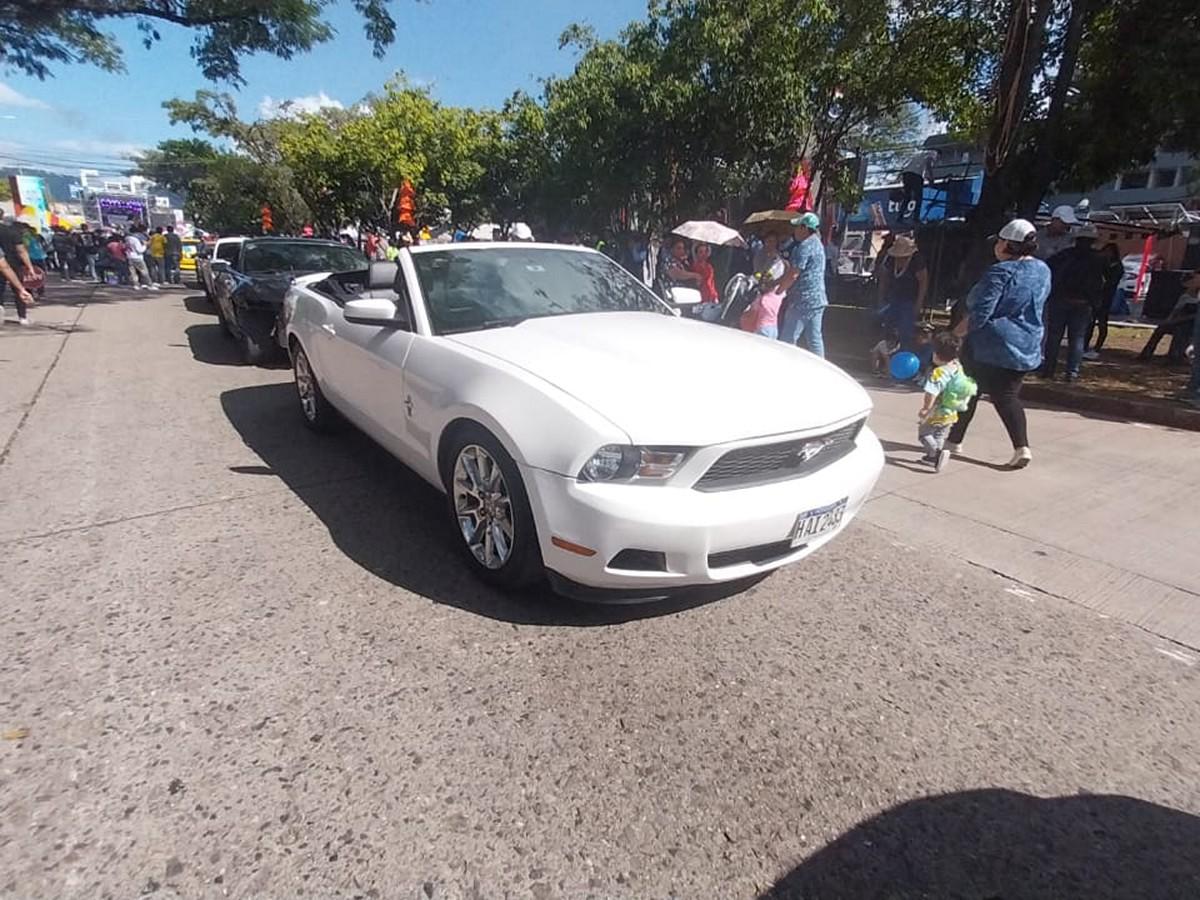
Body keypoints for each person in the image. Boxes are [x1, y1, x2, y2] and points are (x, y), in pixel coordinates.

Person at [949, 218, 1051, 469]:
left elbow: (981, 313)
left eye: (999, 241)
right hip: (1027, 344)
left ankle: (956, 441)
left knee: (969, 390)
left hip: (991, 345)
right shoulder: (1042, 270)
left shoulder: (1000, 272)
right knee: (1005, 395)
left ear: (1007, 244)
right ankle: (958, 441)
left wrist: (954, 335)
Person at [1040, 224, 1105, 382]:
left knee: (1054, 336)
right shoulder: (1099, 259)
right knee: (1077, 338)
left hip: (1060, 299)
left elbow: (1048, 268)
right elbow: (1101, 282)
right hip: (1083, 302)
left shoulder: (1064, 255)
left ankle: (1049, 369)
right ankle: (1072, 373)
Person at [917, 331, 977, 471]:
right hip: (952, 410)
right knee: (939, 433)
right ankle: (933, 458)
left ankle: (936, 454)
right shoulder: (957, 366)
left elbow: (931, 392)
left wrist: (926, 408)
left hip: (937, 410)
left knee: (924, 433)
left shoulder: (939, 373)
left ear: (936, 354)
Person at [778, 212, 828, 356]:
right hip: (818, 299)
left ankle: (785, 365)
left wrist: (779, 290)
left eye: (797, 227)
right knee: (814, 339)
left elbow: (794, 274)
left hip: (802, 300)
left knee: (788, 338)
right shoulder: (818, 244)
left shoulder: (804, 246)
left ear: (805, 228)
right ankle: (822, 369)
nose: (794, 231)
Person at [876, 234, 928, 350]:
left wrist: (919, 303)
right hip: (893, 297)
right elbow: (883, 279)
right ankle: (887, 349)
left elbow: (923, 283)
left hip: (910, 299)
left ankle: (905, 351)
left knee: (906, 328)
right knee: (887, 324)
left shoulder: (917, 260)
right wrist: (881, 298)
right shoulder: (890, 260)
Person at [1138, 270, 1200, 363]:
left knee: (1181, 329)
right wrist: (1169, 320)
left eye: (1195, 279)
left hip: (1192, 323)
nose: (1192, 282)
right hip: (1180, 320)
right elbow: (1176, 310)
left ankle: (1176, 355)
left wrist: (1181, 319)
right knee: (1161, 328)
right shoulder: (1186, 296)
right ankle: (1146, 354)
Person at [1085, 243, 1122, 358]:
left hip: (1106, 297)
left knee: (1102, 322)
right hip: (1095, 296)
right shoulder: (1099, 263)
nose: (1107, 254)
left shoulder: (1117, 266)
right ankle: (1084, 345)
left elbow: (1112, 282)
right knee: (1090, 322)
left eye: (1110, 252)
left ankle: (1098, 347)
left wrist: (1103, 285)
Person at [0, 217, 36, 325]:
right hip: (13, 263)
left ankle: (1, 313)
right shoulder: (13, 232)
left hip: (3, 263)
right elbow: (21, 251)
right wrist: (30, 267)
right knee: (18, 290)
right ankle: (22, 317)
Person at [898, 149, 937, 223]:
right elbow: (928, 165)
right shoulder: (933, 153)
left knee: (907, 196)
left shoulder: (919, 154)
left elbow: (919, 166)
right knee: (918, 198)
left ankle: (900, 216)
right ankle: (916, 218)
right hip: (916, 176)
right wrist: (931, 178)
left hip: (907, 174)